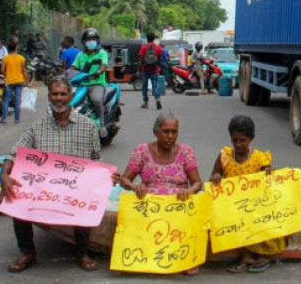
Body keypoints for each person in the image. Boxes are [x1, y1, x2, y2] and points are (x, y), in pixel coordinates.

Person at [0, 77, 103, 273]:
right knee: (17, 197)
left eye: (63, 94)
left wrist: (104, 178)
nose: (59, 98)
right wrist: (4, 173)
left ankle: (82, 252)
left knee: (87, 197)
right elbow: (14, 153)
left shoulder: (89, 127)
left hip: (74, 189)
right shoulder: (36, 128)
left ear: (71, 96)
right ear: (48, 97)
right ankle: (28, 251)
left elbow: (96, 162)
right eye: (54, 94)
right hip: (44, 190)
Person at [117, 111, 203, 275]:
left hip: (177, 207)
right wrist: (135, 187)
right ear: (155, 132)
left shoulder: (185, 152)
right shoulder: (142, 151)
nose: (170, 136)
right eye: (166, 131)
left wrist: (189, 191)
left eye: (174, 132)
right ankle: (145, 257)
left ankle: (182, 259)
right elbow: (124, 179)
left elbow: (197, 182)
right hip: (150, 208)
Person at [210, 115, 286, 273]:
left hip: (255, 206)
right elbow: (213, 177)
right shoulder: (224, 156)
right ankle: (247, 255)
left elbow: (269, 183)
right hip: (234, 206)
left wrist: (268, 173)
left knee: (263, 221)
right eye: (234, 140)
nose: (238, 144)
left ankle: (261, 255)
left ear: (251, 139)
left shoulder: (259, 158)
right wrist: (216, 177)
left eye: (242, 140)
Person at [72, 28, 110, 138]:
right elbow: (73, 67)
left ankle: (102, 126)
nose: (91, 41)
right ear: (84, 41)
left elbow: (104, 65)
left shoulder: (102, 53)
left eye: (93, 39)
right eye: (89, 39)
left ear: (97, 41)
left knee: (96, 99)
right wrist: (66, 74)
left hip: (97, 83)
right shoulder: (80, 55)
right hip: (81, 84)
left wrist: (98, 72)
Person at [0, 38, 28, 124]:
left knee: (6, 99)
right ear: (16, 48)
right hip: (19, 81)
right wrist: (28, 82)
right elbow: (24, 71)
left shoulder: (5, 58)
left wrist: (6, 75)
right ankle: (17, 119)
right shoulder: (21, 58)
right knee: (18, 100)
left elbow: (2, 70)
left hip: (9, 81)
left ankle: (4, 118)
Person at [138, 32, 163, 110]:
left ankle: (146, 103)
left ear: (147, 38)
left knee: (144, 87)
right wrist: (159, 68)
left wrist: (138, 70)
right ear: (154, 38)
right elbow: (159, 60)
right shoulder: (158, 48)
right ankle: (157, 99)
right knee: (154, 86)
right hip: (154, 70)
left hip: (145, 70)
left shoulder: (143, 47)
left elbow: (141, 60)